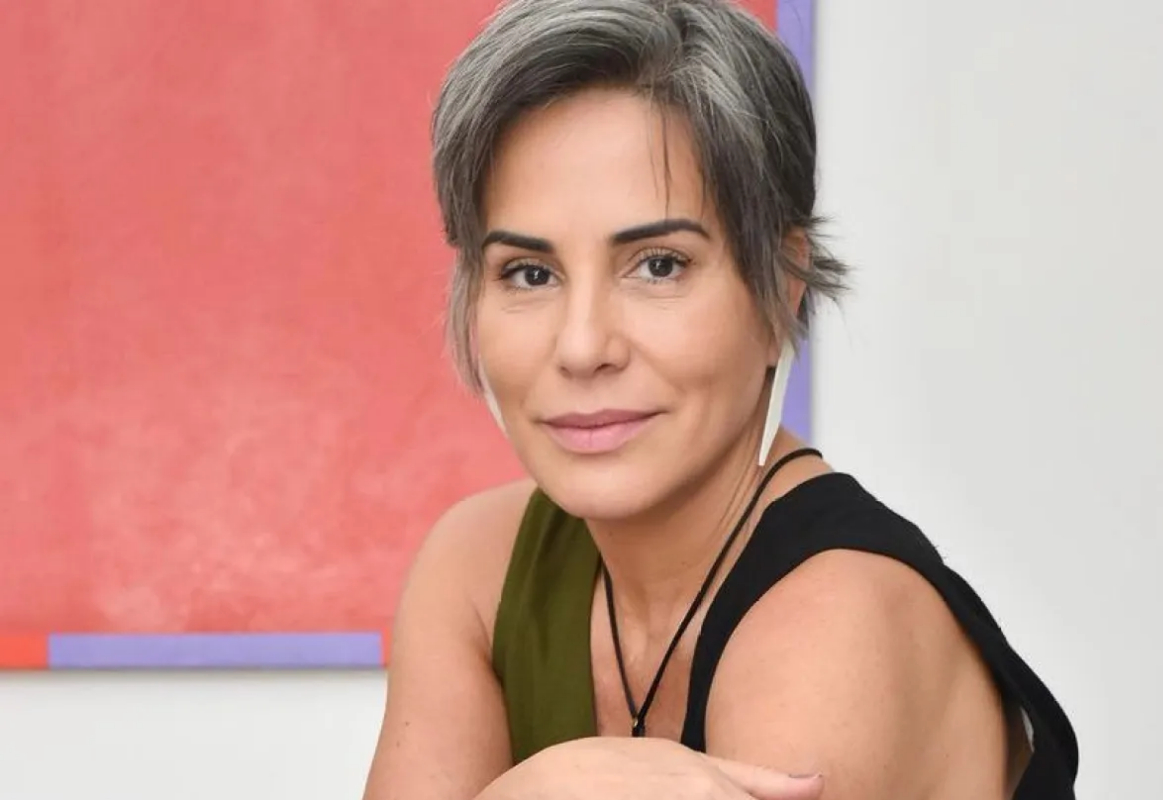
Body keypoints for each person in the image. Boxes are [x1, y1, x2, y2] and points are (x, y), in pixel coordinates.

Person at [363, 1, 1078, 798]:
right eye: (530, 274)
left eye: (658, 265)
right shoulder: (479, 569)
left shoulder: (832, 622)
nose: (583, 346)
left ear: (781, 286)